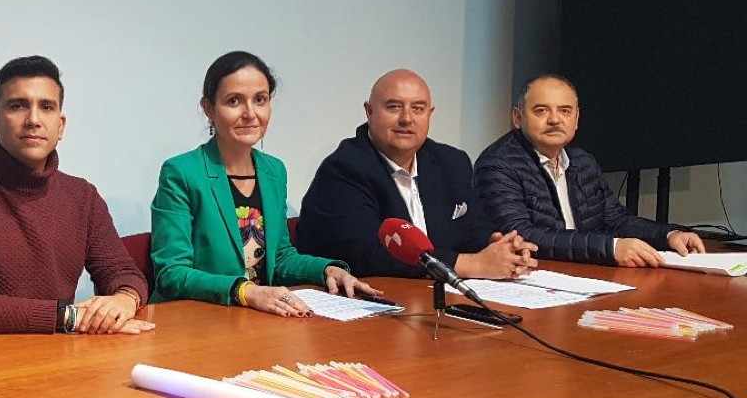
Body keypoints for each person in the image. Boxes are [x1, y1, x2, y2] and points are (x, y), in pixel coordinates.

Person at [0, 55, 153, 335]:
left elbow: (122, 271)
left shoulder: (82, 196)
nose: (33, 120)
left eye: (46, 107)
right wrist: (67, 317)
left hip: (53, 355)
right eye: (18, 106)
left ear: (61, 125)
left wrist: (125, 298)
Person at [150, 51, 380, 316]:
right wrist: (244, 291)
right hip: (197, 319)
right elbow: (172, 273)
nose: (250, 113)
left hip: (256, 319)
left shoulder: (274, 171)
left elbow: (279, 257)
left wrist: (327, 269)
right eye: (234, 101)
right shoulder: (181, 172)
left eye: (260, 100)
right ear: (209, 109)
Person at [298, 68, 537, 278]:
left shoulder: (452, 162)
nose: (406, 118)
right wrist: (471, 264)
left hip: (437, 298)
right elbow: (368, 254)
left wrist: (499, 247)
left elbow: (473, 229)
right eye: (393, 107)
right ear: (369, 111)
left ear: (429, 114)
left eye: (418, 108)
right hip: (368, 305)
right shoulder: (344, 169)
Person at [474, 74, 705, 266]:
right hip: (538, 278)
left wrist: (668, 235)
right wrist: (610, 248)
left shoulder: (582, 161)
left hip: (589, 272)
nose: (555, 119)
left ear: (576, 119)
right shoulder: (497, 164)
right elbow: (523, 235)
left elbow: (615, 219)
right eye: (542, 110)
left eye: (565, 111)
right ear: (517, 117)